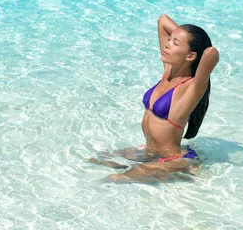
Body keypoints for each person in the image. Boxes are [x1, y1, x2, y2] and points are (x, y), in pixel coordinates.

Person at [91, 13, 219, 183]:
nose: (167, 44)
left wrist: (190, 42)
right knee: (97, 159)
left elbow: (212, 53)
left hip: (172, 159)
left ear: (191, 56)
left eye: (175, 43)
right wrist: (181, 39)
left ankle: (186, 168)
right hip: (149, 152)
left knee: (113, 179)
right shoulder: (168, 72)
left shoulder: (192, 88)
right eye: (169, 40)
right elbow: (163, 20)